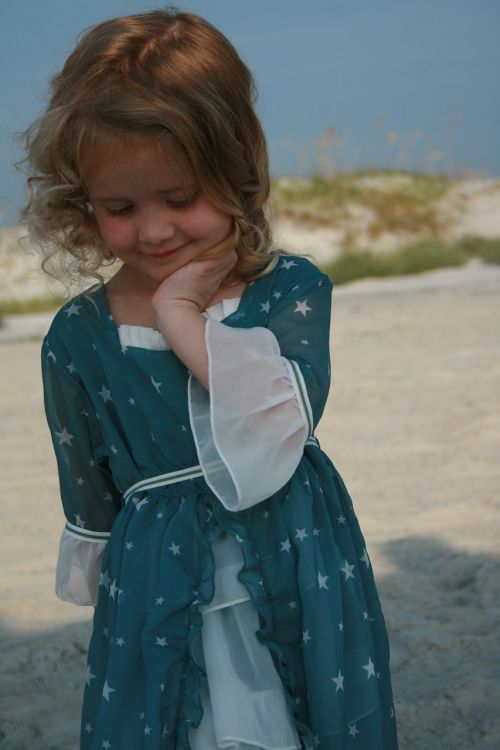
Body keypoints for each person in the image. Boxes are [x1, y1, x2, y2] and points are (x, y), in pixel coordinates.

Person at [23, 9, 398, 750]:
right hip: (158, 575)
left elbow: (279, 420)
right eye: (119, 209)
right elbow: (87, 475)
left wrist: (182, 315)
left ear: (234, 170)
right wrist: (107, 580)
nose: (154, 231)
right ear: (83, 201)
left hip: (294, 551)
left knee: (299, 715)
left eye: (180, 196)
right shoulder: (78, 335)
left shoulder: (287, 289)